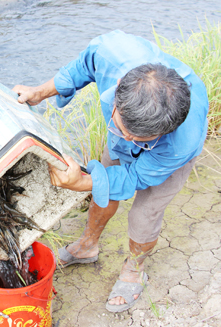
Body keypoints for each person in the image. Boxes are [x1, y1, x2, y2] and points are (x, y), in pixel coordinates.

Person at [13, 30, 208, 313]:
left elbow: (135, 178)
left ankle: (135, 269)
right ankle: (87, 245)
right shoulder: (111, 51)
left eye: (140, 140)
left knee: (145, 212)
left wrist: (81, 182)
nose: (129, 141)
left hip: (165, 157)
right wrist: (39, 92)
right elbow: (82, 67)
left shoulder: (182, 140)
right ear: (117, 90)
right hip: (138, 114)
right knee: (103, 188)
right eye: (124, 129)